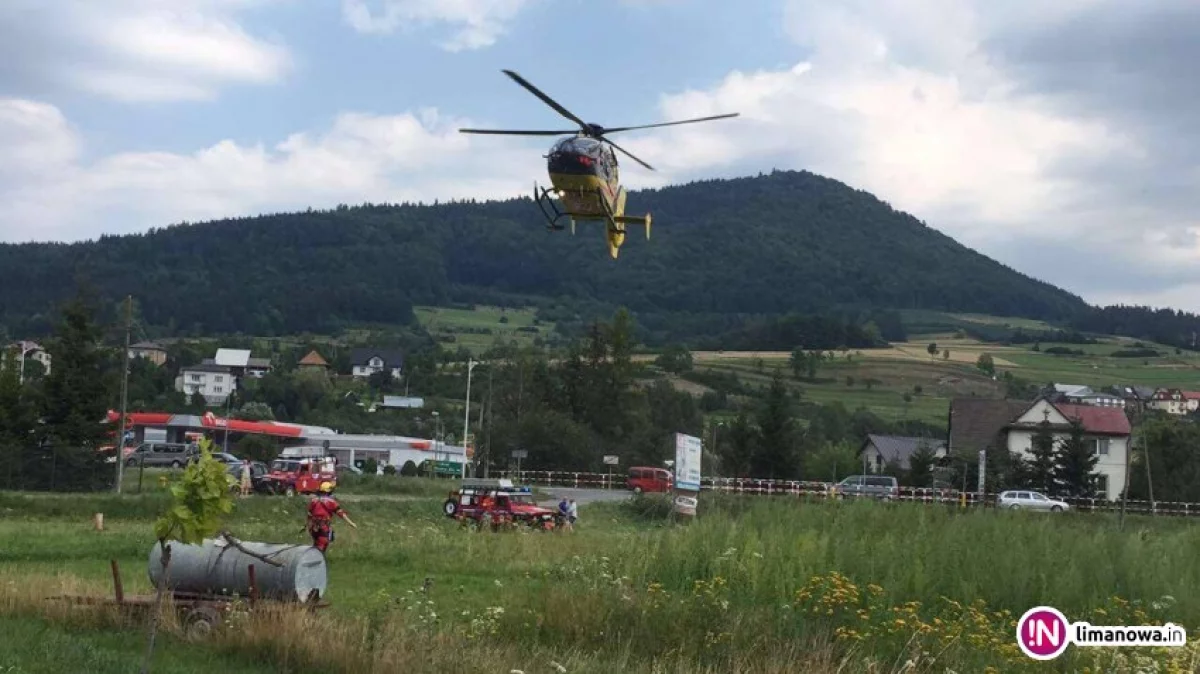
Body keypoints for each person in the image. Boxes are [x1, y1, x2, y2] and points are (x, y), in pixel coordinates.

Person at [306, 481, 357, 553]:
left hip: (313, 527)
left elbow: (309, 514)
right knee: (322, 544)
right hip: (323, 526)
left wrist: (308, 526)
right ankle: (318, 560)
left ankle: (314, 558)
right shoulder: (331, 501)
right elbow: (341, 513)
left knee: (316, 543)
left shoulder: (314, 500)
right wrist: (351, 523)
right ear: (329, 491)